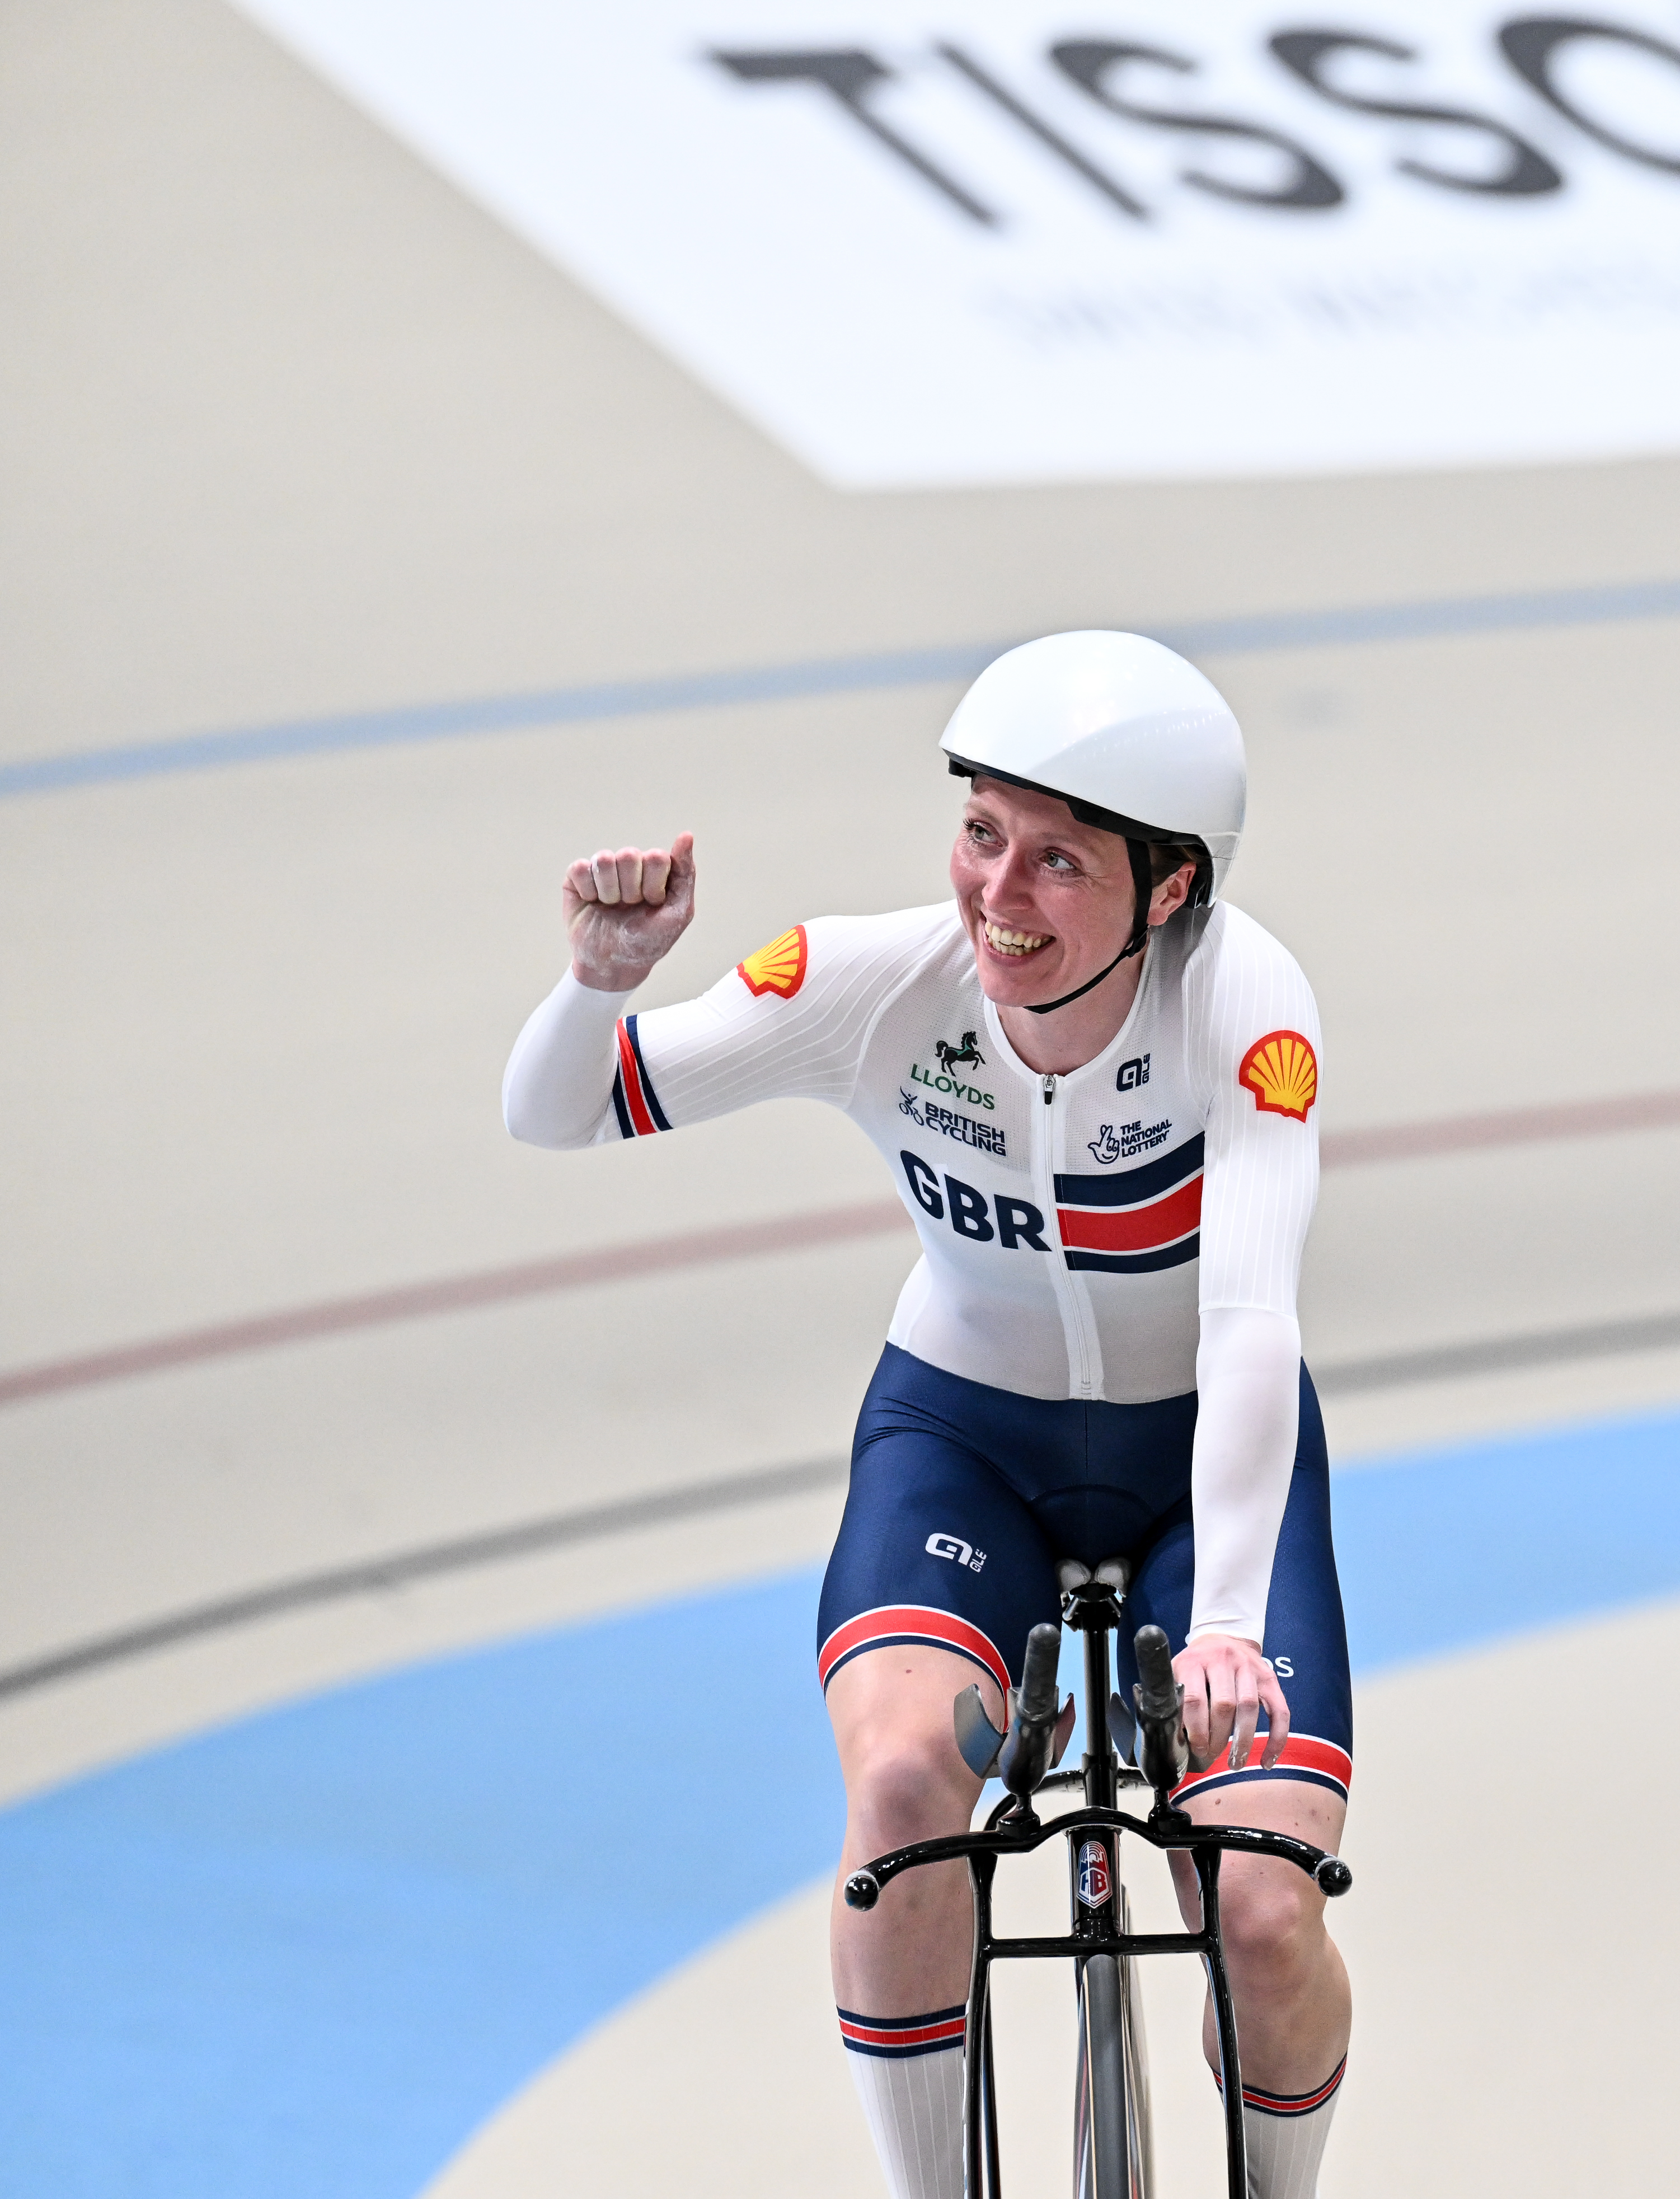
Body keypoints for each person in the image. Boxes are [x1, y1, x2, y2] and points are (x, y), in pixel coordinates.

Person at [501, 632, 1351, 2199]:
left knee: (1264, 1907)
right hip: (969, 1440)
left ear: (1169, 890)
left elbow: (1247, 1319)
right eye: (981, 834)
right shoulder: (869, 983)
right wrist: (599, 982)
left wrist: (1225, 1619)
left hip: (1200, 1478)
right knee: (901, 1804)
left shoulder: (1244, 1000)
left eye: (1058, 862)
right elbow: (555, 1111)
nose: (998, 895)